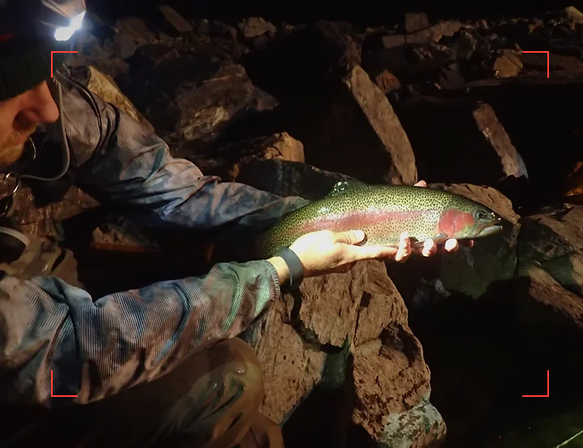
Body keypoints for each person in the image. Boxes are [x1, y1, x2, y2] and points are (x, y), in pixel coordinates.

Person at [0, 1, 468, 447]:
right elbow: (74, 346)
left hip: (34, 288)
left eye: (42, 73)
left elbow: (171, 188)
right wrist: (279, 269)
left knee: (258, 437)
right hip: (40, 368)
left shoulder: (58, 110)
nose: (46, 108)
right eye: (10, 89)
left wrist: (328, 214)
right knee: (233, 375)